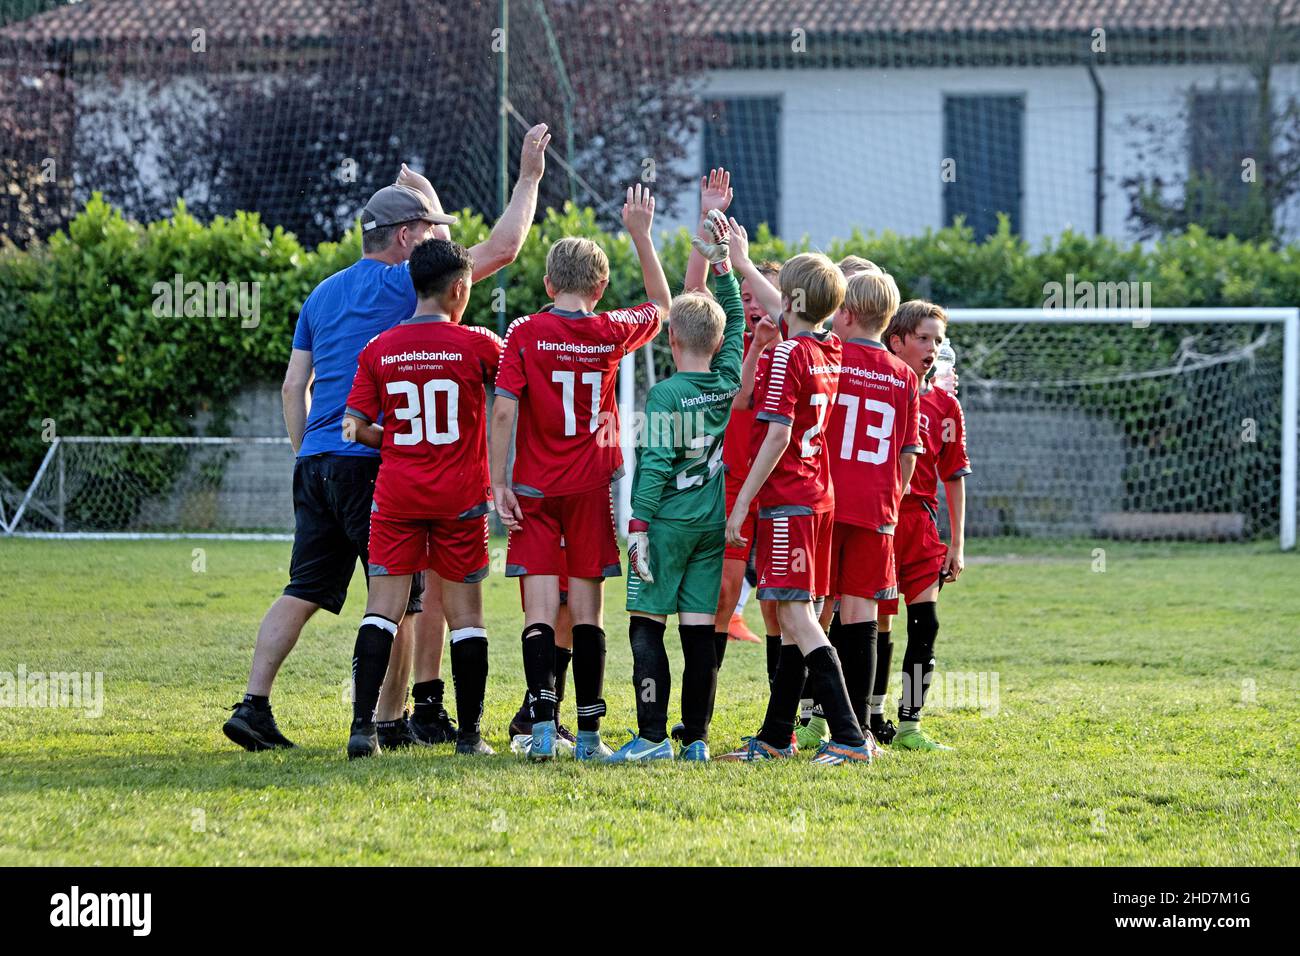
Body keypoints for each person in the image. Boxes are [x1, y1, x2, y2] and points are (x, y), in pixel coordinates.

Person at [222, 125, 549, 751]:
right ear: (406, 239)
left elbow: (295, 386)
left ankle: (254, 703)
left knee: (304, 589)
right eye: (428, 230)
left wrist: (306, 452)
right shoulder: (406, 283)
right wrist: (529, 176)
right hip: (375, 459)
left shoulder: (321, 292)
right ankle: (391, 720)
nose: (437, 243)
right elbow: (499, 248)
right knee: (397, 593)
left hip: (317, 457)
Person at [489, 184, 671, 762]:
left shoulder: (523, 332)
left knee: (540, 612)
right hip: (592, 488)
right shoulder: (611, 330)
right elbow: (664, 307)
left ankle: (542, 730)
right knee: (588, 614)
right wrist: (641, 234)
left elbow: (503, 409)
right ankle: (589, 736)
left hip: (534, 490)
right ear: (600, 288)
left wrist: (498, 482)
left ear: (547, 284)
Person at [341, 238, 502, 758]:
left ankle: (362, 730)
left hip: (397, 496)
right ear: (460, 288)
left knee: (381, 611)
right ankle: (471, 738)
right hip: (460, 499)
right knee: (467, 616)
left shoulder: (378, 348)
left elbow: (353, 427)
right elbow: (515, 400)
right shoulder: (479, 345)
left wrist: (398, 442)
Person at [719, 253, 873, 765]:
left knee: (798, 617)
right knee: (791, 619)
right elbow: (782, 307)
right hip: (820, 498)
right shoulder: (830, 346)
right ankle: (776, 736)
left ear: (790, 300)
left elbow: (778, 434)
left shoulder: (787, 355)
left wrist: (743, 501)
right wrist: (741, 260)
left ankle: (851, 738)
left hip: (791, 501)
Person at [608, 209, 743, 763]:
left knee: (646, 627)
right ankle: (698, 740)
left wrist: (637, 526)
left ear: (669, 339)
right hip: (711, 526)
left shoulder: (665, 396)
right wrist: (725, 268)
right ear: (715, 342)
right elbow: (734, 319)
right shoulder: (727, 380)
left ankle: (651, 737)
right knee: (697, 635)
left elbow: (656, 467)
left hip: (666, 527)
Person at [807, 269, 921, 751]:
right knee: (862, 617)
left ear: (845, 312)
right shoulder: (905, 376)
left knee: (811, 612)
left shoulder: (830, 356)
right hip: (877, 509)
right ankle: (857, 733)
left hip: (825, 501)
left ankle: (810, 720)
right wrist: (892, 499)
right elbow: (909, 454)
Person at [875, 299, 971, 751]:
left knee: (925, 623)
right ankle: (867, 715)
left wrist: (957, 543)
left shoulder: (945, 405)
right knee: (870, 624)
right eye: (923, 338)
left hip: (920, 525)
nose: (932, 347)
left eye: (938, 340)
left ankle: (910, 724)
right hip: (878, 519)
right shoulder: (875, 388)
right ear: (896, 341)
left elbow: (953, 475)